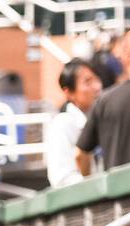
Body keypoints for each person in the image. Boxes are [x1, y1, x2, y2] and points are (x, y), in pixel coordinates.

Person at [75, 27, 130, 176]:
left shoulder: (105, 99)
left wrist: (90, 188)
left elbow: (80, 155)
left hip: (118, 194)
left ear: (126, 57)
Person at [45, 59, 104, 188]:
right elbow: (62, 178)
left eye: (96, 79)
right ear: (69, 93)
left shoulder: (104, 119)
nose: (97, 87)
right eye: (87, 82)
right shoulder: (62, 124)